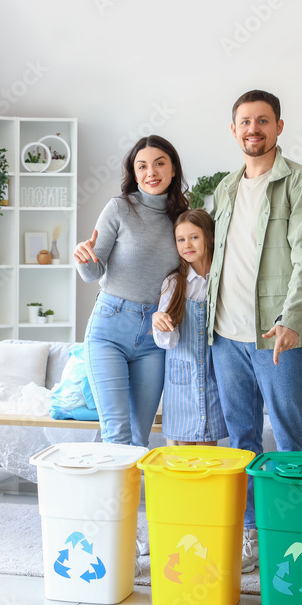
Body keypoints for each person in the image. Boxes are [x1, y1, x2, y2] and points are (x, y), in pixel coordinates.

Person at [205, 90, 302, 573]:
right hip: (226, 335)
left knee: (291, 436)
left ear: (279, 126)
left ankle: (300, 537)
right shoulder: (224, 189)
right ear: (233, 130)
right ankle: (253, 537)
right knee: (241, 439)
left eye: (262, 121)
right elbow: (212, 257)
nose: (252, 129)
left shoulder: (300, 183)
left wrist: (292, 320)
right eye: (244, 121)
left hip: (279, 337)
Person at [74, 135, 189, 448]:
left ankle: (127, 498)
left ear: (173, 168)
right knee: (117, 433)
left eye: (159, 163)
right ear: (134, 173)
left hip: (155, 336)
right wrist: (84, 259)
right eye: (142, 166)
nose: (151, 171)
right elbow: (93, 272)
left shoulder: (182, 219)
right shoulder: (119, 209)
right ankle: (109, 499)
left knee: (139, 439)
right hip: (109, 328)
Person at [152, 209, 227, 446]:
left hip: (215, 375)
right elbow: (166, 342)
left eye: (194, 237)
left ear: (210, 237)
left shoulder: (224, 277)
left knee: (208, 455)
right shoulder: (174, 283)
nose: (187, 245)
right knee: (181, 458)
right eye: (180, 239)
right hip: (180, 380)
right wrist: (160, 322)